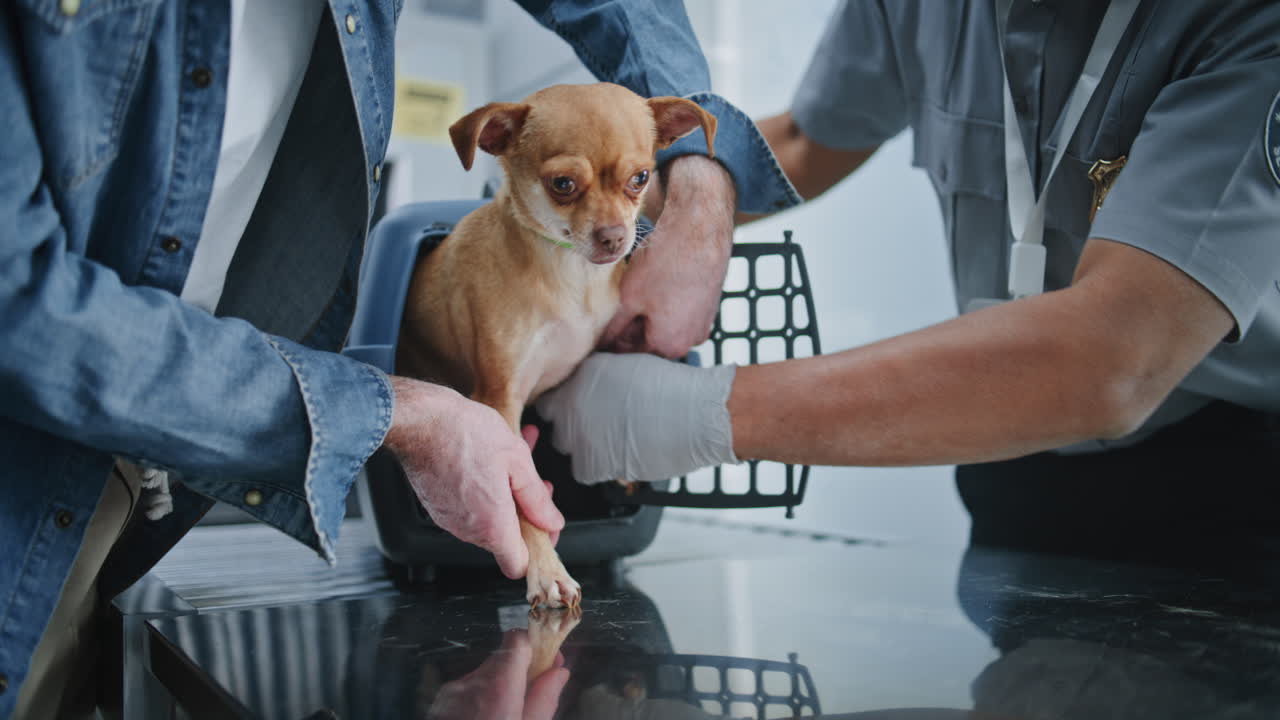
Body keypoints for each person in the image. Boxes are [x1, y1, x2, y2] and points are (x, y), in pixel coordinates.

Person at [0, 1, 797, 716]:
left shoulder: (619, 233)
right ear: (502, 151)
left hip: (178, 445)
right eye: (566, 187)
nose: (611, 221)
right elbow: (20, 304)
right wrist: (394, 413)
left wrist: (700, 196)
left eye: (631, 187)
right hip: (50, 430)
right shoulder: (495, 263)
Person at [537, 0, 1280, 561]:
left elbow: (1113, 358)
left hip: (1229, 488)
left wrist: (682, 414)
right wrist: (635, 211)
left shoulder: (1248, 25)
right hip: (1015, 477)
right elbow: (804, 140)